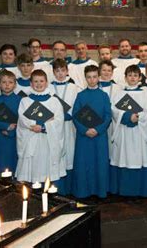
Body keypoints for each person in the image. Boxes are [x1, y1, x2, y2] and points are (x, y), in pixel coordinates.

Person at [16, 70, 66, 187]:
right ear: (31, 83)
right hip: (31, 138)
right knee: (33, 170)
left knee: (47, 171)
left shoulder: (54, 101)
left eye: (41, 81)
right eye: (36, 81)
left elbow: (59, 120)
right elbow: (23, 119)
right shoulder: (25, 101)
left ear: (47, 83)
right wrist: (36, 125)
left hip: (48, 141)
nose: (39, 84)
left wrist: (43, 127)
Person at [110, 65, 147, 198]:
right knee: (124, 157)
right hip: (124, 132)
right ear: (125, 77)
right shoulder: (119, 93)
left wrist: (138, 117)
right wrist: (128, 117)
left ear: (140, 77)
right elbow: (114, 110)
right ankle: (124, 190)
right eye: (130, 75)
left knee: (138, 158)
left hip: (139, 132)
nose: (132, 78)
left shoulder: (145, 93)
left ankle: (140, 190)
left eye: (135, 75)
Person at [72, 65, 112, 199]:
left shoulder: (104, 95)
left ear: (99, 77)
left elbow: (108, 116)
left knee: (99, 163)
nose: (92, 80)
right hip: (84, 137)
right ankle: (84, 191)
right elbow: (75, 115)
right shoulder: (80, 95)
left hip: (99, 136)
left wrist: (97, 129)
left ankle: (100, 191)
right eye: (89, 77)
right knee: (84, 164)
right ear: (85, 78)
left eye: (94, 77)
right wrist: (85, 130)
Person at [50, 58, 80, 194]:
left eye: (63, 70)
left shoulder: (74, 87)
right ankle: (57, 187)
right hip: (54, 127)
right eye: (57, 71)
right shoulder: (49, 87)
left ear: (67, 71)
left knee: (70, 153)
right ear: (53, 72)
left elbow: (78, 107)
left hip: (69, 126)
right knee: (56, 152)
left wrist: (70, 114)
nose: (60, 73)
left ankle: (71, 188)